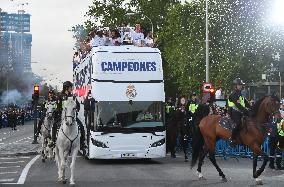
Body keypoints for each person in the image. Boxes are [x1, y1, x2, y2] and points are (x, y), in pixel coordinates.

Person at [50, 81, 87, 154]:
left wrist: (76, 109)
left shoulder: (73, 96)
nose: (72, 88)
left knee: (82, 127)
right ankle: (53, 142)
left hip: (72, 116)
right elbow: (58, 107)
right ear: (66, 88)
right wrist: (63, 110)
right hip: (62, 115)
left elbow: (78, 106)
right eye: (71, 87)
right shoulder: (60, 96)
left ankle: (82, 144)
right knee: (54, 125)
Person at [227, 78, 250, 144]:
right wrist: (246, 110)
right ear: (235, 86)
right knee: (238, 123)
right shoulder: (233, 94)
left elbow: (246, 104)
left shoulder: (241, 95)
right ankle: (232, 138)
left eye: (241, 85)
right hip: (234, 112)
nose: (240, 86)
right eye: (239, 85)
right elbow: (238, 105)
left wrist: (252, 109)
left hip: (241, 112)